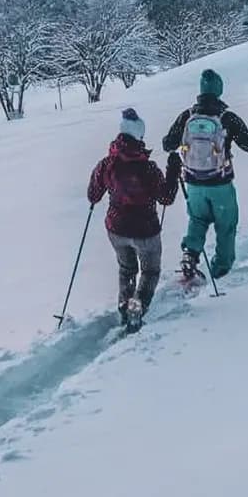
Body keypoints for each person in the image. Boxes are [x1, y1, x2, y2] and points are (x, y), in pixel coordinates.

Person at [161, 68, 248, 289]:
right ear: (219, 90)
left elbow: (168, 145)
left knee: (197, 220)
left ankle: (190, 255)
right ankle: (221, 271)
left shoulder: (187, 116)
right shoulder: (227, 118)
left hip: (193, 183)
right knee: (226, 226)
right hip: (220, 184)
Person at [86, 107, 180, 331]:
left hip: (116, 229)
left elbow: (93, 195)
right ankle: (135, 310)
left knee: (127, 270)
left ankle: (124, 307)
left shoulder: (106, 164)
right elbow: (166, 197)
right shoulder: (148, 169)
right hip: (145, 231)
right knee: (149, 272)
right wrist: (174, 172)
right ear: (139, 137)